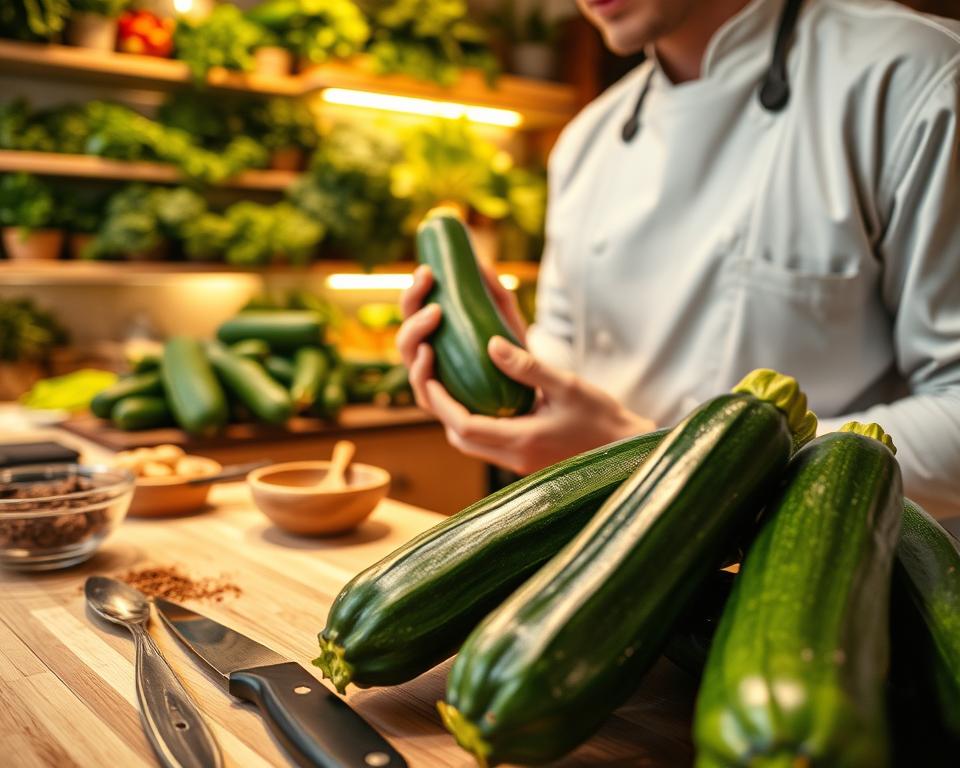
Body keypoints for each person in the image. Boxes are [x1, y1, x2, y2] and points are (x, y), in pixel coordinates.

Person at [397, 0, 960, 516]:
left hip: (828, 586)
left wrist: (651, 454)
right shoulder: (585, 141)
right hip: (618, 570)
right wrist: (515, 367)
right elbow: (566, 348)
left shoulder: (920, 79)